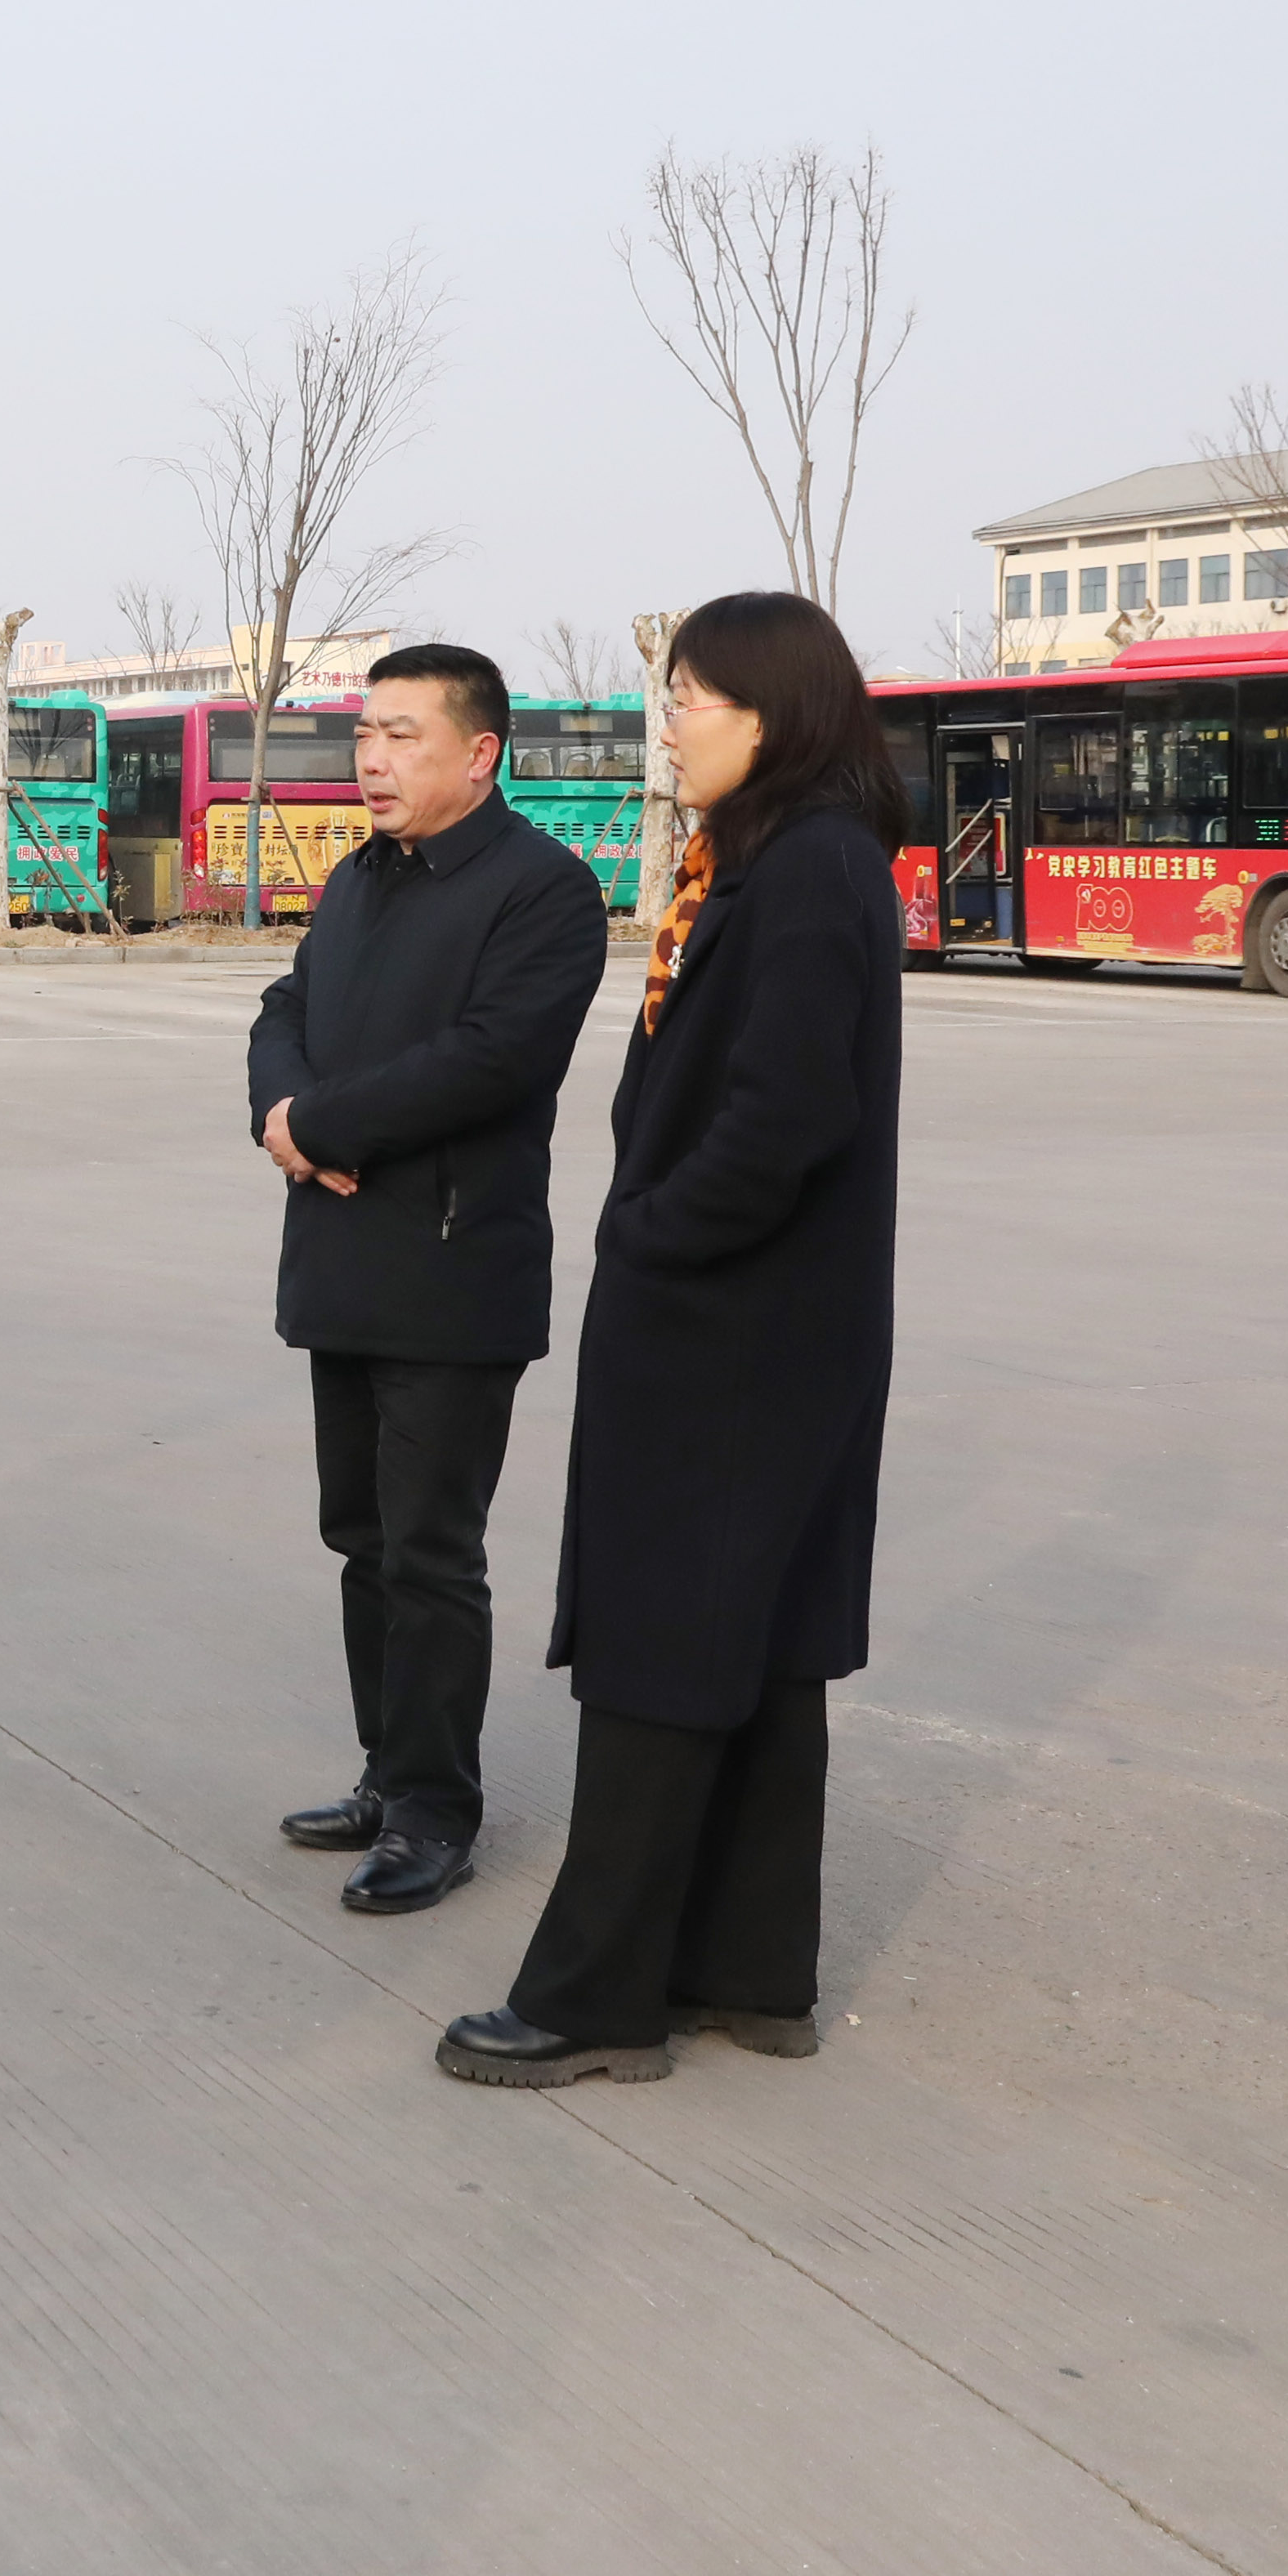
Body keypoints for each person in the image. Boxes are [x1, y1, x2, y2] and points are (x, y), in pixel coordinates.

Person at [440, 589, 903, 2092]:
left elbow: (788, 1111)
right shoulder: (781, 855)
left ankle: (598, 1997)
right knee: (757, 1649)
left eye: (690, 699)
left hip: (731, 1325)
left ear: (773, 713)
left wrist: (652, 1234)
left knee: (658, 1651)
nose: (669, 727)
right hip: (771, 1324)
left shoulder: (809, 867)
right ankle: (750, 1973)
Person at [244, 643, 614, 1915]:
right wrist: (283, 1114)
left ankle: (435, 1812)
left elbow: (496, 1057)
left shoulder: (542, 891)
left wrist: (324, 1123)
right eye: (365, 735)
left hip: (454, 1272)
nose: (373, 759)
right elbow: (282, 1010)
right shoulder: (359, 878)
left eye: (402, 735)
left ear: (480, 753)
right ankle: (385, 1769)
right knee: (361, 1541)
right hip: (342, 1260)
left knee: (432, 1554)